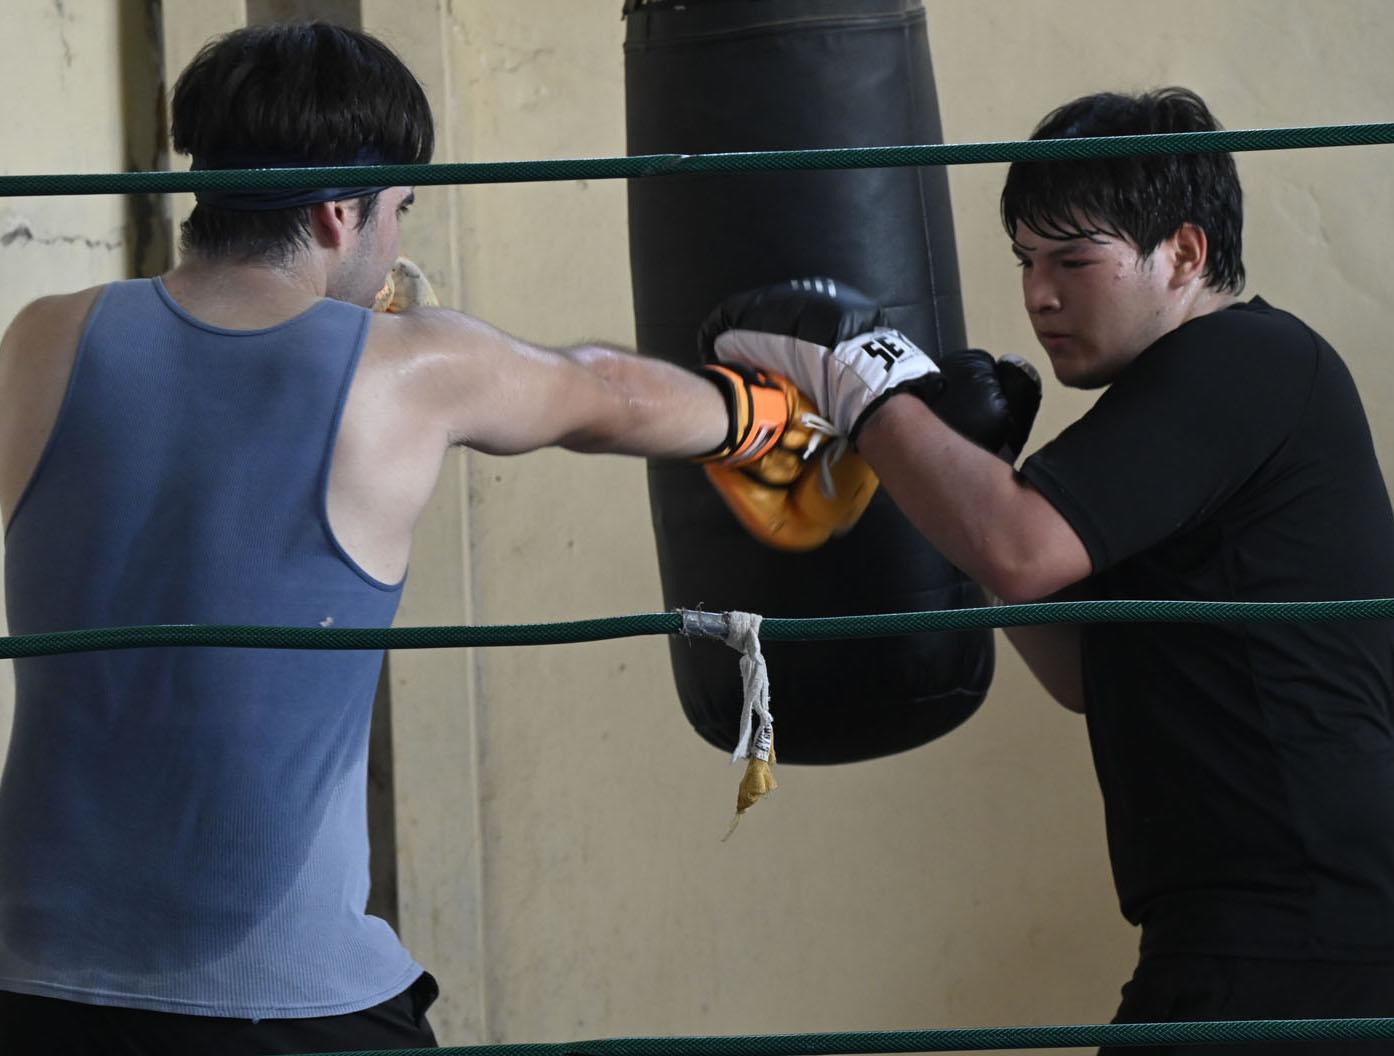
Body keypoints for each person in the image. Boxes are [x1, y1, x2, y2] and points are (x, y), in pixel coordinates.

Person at [0, 21, 830, 1055]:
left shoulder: (44, 336)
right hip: (284, 1008)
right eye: (398, 211)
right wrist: (771, 416)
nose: (398, 241)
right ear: (342, 212)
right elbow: (603, 393)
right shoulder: (408, 367)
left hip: (29, 988)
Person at [708, 88, 1394, 1053]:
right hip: (1238, 923)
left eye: (1074, 260)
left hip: (1306, 926)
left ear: (1185, 254)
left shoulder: (1247, 359)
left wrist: (862, 381)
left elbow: (1020, 548)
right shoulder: (1174, 415)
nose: (1039, 293)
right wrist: (966, 477)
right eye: (1027, 261)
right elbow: (1086, 674)